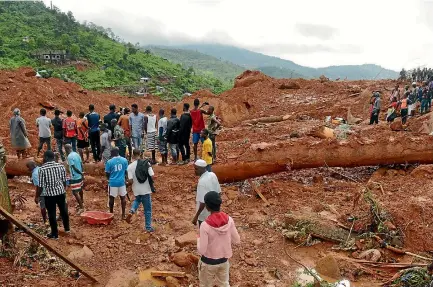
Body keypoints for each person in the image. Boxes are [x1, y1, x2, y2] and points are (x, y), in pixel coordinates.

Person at [198, 191, 240, 287]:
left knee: (205, 285)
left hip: (208, 263)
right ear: (220, 204)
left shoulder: (205, 225)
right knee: (224, 284)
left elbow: (202, 250)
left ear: (207, 207)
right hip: (224, 262)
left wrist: (198, 239)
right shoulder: (229, 220)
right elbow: (237, 241)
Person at [37, 150, 69, 239]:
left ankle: (54, 234)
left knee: (52, 214)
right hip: (60, 193)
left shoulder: (42, 169)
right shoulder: (61, 166)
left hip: (49, 195)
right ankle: (67, 229)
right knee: (64, 211)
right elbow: (64, 181)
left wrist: (37, 196)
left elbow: (40, 186)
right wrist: (63, 190)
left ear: (46, 157)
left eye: (44, 157)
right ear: (53, 157)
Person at [125, 149, 155, 232]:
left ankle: (132, 210)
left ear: (133, 155)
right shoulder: (146, 163)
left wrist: (126, 184)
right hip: (145, 189)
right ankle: (148, 227)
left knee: (137, 200)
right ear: (141, 154)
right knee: (147, 209)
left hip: (136, 189)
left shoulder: (130, 166)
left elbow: (130, 181)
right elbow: (152, 176)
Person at [192, 159, 221, 227]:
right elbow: (219, 193)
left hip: (204, 215)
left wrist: (196, 216)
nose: (195, 171)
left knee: (204, 234)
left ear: (202, 169)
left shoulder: (202, 182)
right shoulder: (212, 175)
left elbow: (202, 202)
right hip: (214, 212)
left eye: (196, 169)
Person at [105, 147, 128, 219]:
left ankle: (111, 214)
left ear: (113, 153)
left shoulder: (109, 162)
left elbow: (107, 173)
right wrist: (125, 179)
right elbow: (126, 171)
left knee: (111, 198)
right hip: (121, 182)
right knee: (123, 198)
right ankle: (123, 214)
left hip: (113, 182)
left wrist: (109, 179)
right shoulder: (124, 160)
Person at [65, 144, 84, 214]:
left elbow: (73, 167)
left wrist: (80, 173)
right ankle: (81, 202)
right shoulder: (76, 154)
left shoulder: (69, 157)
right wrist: (82, 172)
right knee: (81, 189)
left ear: (67, 149)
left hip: (75, 176)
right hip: (80, 175)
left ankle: (82, 207)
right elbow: (81, 164)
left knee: (75, 192)